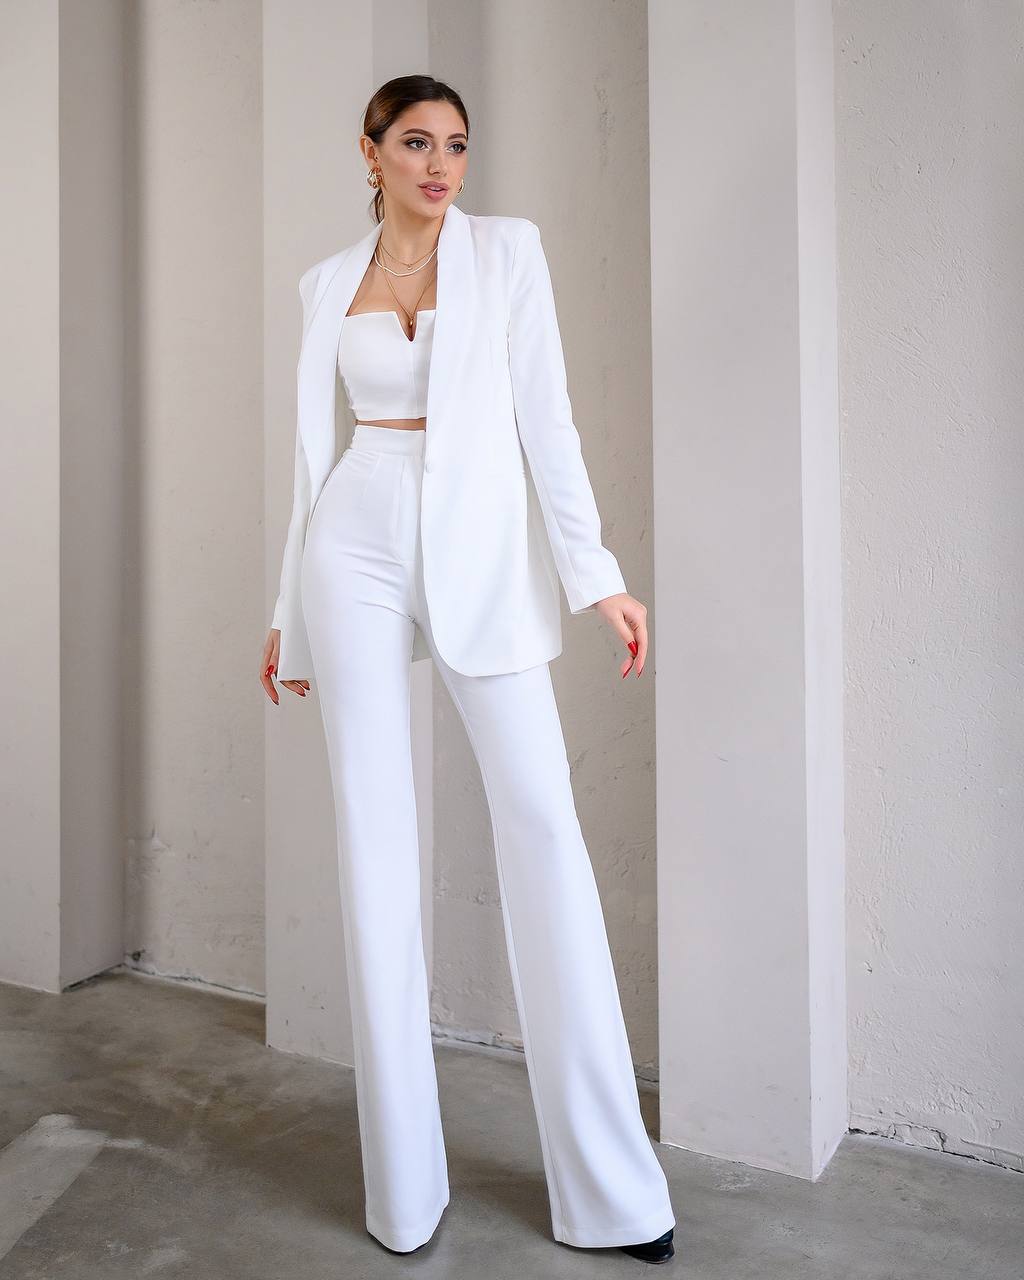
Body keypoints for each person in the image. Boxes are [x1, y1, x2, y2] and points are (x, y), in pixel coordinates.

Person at [261, 74, 675, 1265]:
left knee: (541, 825)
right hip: (352, 541)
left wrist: (597, 576)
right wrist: (286, 610)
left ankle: (613, 1194)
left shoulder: (507, 253)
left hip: (481, 552)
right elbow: (312, 459)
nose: (439, 163)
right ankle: (405, 1191)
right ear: (371, 153)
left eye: (454, 144)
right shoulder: (324, 282)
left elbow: (548, 419)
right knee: (374, 842)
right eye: (414, 142)